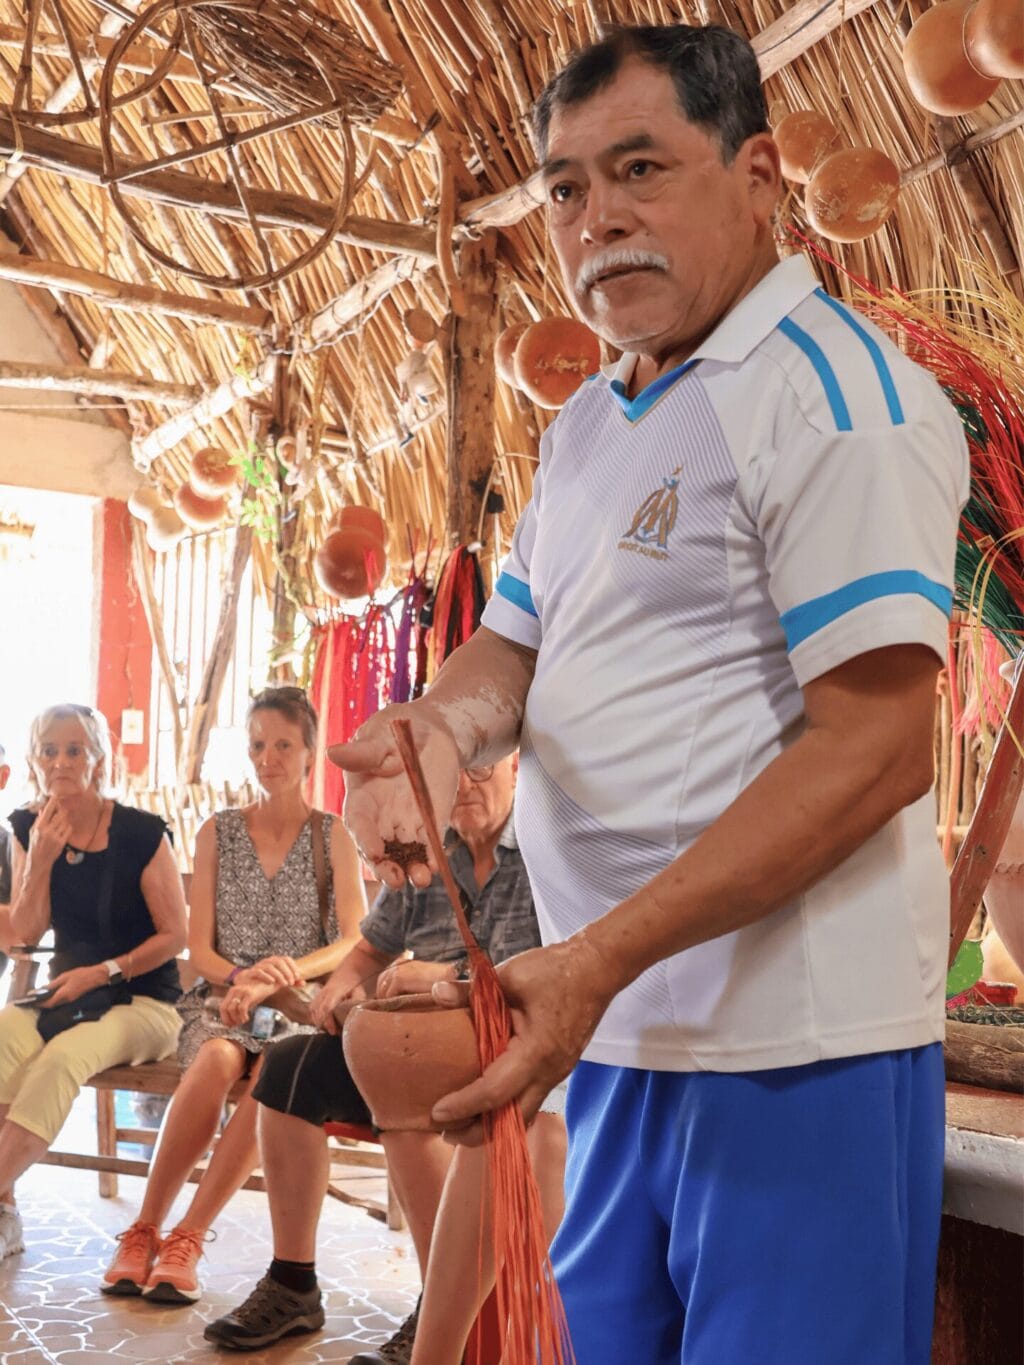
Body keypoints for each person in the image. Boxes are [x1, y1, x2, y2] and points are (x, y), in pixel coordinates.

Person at [330, 24, 971, 1365]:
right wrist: (440, 731)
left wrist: (597, 960)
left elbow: (880, 750)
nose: (597, 219)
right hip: (620, 1046)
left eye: (640, 169)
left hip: (801, 1057)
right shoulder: (583, 425)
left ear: (756, 178)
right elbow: (509, 648)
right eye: (565, 187)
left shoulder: (836, 397)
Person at [204, 755, 565, 1365]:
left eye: (481, 770)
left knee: (404, 1097)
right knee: (290, 1067)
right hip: (413, 1040)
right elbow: (371, 945)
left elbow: (552, 971)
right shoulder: (430, 855)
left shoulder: (545, 851)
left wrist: (446, 976)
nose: (467, 785)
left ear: (514, 768)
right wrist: (337, 993)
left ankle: (440, 1307)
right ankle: (294, 1281)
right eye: (456, 774)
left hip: (504, 1049)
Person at [100, 685, 365, 1305]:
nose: (268, 757)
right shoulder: (217, 833)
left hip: (300, 1009)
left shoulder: (335, 837)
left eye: (282, 744)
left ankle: (187, 1238)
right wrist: (244, 981)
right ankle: (142, 1232)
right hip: (225, 1000)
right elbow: (199, 951)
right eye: (257, 745)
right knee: (219, 1057)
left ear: (308, 752)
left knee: (276, 1071)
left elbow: (355, 939)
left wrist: (283, 975)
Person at [0, 704, 186, 1261]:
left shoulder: (140, 833)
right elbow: (24, 936)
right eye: (50, 751)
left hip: (143, 1001)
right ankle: (5, 1211)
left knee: (62, 1059)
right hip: (65, 995)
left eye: (74, 750)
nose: (61, 762)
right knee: (6, 1034)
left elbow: (176, 935)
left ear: (98, 758)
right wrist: (43, 860)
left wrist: (104, 971)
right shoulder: (31, 829)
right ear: (36, 760)